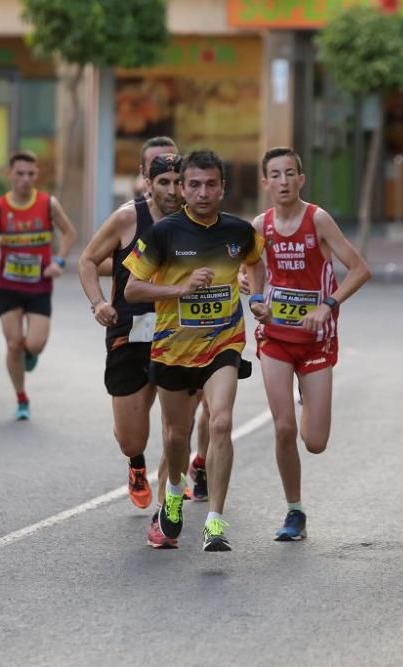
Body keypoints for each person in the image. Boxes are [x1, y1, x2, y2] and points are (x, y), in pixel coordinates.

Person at [124, 149, 265, 552]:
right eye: (195, 185)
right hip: (172, 350)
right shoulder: (163, 234)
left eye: (211, 185)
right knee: (176, 435)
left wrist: (256, 297)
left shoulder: (239, 232)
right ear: (183, 188)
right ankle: (172, 491)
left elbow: (257, 260)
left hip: (224, 343)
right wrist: (179, 289)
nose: (203, 193)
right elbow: (132, 288)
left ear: (223, 188)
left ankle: (215, 522)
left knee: (220, 423)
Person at [248, 147, 371, 541]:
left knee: (314, 442)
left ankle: (307, 395)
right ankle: (294, 511)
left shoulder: (317, 219)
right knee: (283, 429)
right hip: (277, 340)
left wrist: (327, 304)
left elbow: (359, 269)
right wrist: (254, 298)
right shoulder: (259, 226)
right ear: (265, 182)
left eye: (290, 174)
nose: (283, 182)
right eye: (275, 175)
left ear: (301, 179)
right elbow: (250, 272)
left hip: (316, 340)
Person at [79, 152, 186, 545]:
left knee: (177, 431)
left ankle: (167, 516)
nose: (174, 191)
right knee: (131, 438)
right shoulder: (128, 218)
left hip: (181, 338)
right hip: (130, 334)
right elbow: (88, 259)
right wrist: (99, 303)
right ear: (149, 184)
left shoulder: (198, 221)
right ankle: (137, 463)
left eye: (179, 182)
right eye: (165, 183)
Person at [0, 151, 77, 420]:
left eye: (30, 174)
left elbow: (69, 232)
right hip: (8, 284)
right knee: (14, 344)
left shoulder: (48, 204)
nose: (25, 179)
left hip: (39, 285)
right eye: (20, 173)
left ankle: (29, 354)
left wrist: (59, 261)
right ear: (9, 174)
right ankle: (21, 397)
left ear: (36, 175)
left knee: (34, 344)